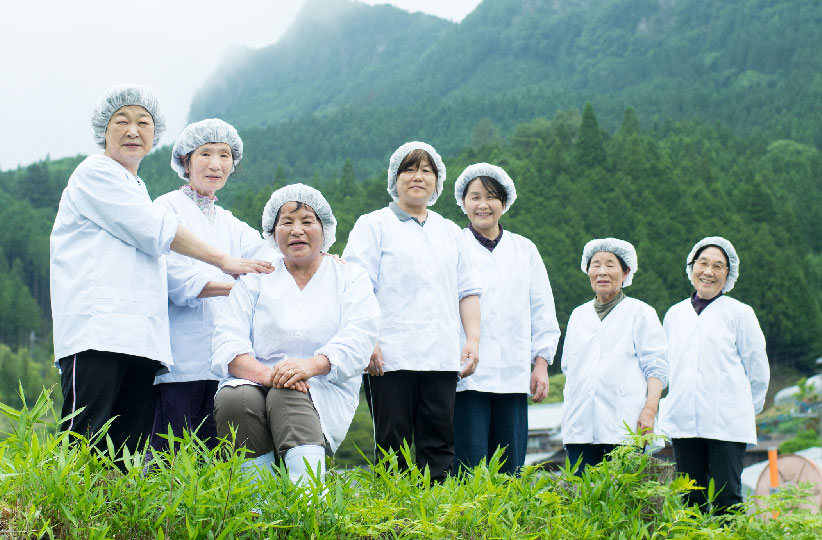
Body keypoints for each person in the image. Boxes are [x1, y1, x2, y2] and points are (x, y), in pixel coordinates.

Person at [50, 84, 273, 461]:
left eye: (144, 122)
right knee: (85, 433)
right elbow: (155, 232)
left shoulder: (136, 187)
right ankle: (62, 519)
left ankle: (115, 518)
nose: (133, 130)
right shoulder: (96, 174)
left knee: (125, 448)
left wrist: (316, 260)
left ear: (155, 136)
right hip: (97, 327)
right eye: (122, 121)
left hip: (142, 337)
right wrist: (223, 264)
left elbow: (264, 255)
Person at [211, 183, 380, 486]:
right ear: (272, 233)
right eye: (286, 222)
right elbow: (227, 340)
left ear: (324, 228)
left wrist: (311, 366)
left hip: (322, 384)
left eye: (306, 222)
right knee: (235, 399)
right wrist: (267, 374)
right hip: (257, 378)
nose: (296, 230)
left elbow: (360, 335)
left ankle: (308, 503)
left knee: (287, 394)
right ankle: (258, 505)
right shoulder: (255, 279)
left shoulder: (349, 277)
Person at [342, 141, 481, 482]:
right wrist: (367, 340)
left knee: (440, 445)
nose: (418, 177)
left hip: (440, 356)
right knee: (392, 447)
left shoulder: (450, 232)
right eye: (409, 169)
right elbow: (356, 285)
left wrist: (473, 339)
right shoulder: (373, 225)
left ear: (437, 182)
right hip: (390, 358)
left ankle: (439, 521)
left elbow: (468, 291)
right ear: (395, 178)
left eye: (426, 171)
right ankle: (396, 523)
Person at [148, 119, 276, 453]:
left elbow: (270, 260)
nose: (216, 163)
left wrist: (319, 259)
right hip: (180, 362)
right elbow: (172, 275)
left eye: (224, 155)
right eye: (205, 153)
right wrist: (237, 285)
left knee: (216, 458)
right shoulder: (165, 209)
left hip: (223, 364)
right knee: (173, 458)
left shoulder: (230, 222)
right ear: (185, 162)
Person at [451, 163, 560, 475]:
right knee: (468, 467)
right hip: (466, 378)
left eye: (491, 197)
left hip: (513, 375)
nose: (483, 205)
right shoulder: (452, 245)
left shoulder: (524, 250)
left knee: (509, 468)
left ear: (504, 203)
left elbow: (543, 311)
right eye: (474, 197)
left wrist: (540, 363)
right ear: (463, 202)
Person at [658, 236, 769, 514]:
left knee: (726, 499)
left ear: (728, 275)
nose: (708, 272)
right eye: (703, 263)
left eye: (718, 266)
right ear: (691, 267)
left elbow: (758, 370)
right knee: (689, 500)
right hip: (684, 422)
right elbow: (668, 369)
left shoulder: (740, 314)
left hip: (726, 423)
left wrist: (743, 409)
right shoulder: (674, 314)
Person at [560, 238, 667, 473]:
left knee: (623, 499)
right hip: (580, 426)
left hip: (624, 425)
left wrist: (649, 410)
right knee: (582, 498)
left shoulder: (641, 313)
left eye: (610, 265)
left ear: (625, 272)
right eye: (595, 265)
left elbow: (657, 368)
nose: (602, 272)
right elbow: (569, 368)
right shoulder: (578, 316)